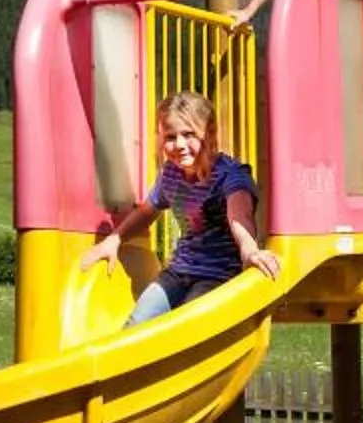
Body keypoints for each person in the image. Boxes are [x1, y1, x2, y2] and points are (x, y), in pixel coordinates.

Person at [78, 91, 282, 324]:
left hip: (217, 276)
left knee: (186, 323)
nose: (179, 145)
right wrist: (114, 239)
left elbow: (240, 217)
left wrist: (250, 251)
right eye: (170, 137)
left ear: (210, 133)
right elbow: (147, 211)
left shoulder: (231, 176)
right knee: (136, 323)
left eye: (189, 135)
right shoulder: (171, 175)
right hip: (178, 272)